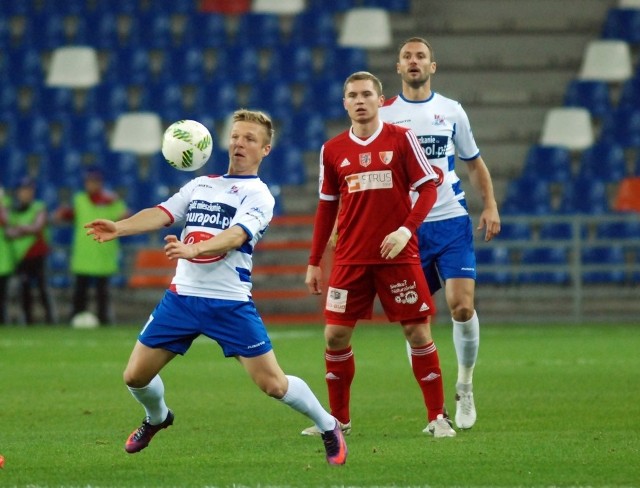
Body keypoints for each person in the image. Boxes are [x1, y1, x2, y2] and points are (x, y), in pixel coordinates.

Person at [84, 109, 348, 465]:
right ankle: (158, 417)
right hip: (182, 299)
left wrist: (191, 249)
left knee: (274, 385)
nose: (240, 143)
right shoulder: (200, 184)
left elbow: (236, 236)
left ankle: (328, 425)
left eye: (250, 139)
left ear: (265, 150)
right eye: (236, 136)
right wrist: (120, 227)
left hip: (229, 303)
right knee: (135, 376)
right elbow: (162, 212)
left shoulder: (259, 195)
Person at [301, 71, 456, 438]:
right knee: (335, 336)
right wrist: (313, 261)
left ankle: (437, 417)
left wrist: (406, 230)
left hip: (398, 258)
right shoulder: (333, 149)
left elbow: (429, 190)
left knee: (417, 332)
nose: (359, 101)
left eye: (366, 94)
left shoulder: (402, 140)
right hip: (351, 259)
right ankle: (338, 421)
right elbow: (326, 208)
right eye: (352, 95)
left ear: (379, 99)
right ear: (345, 103)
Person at [379, 37, 502, 430]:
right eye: (406, 57)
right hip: (406, 229)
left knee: (461, 306)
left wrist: (490, 205)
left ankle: (465, 385)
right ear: (398, 67)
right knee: (415, 322)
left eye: (420, 56)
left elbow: (474, 163)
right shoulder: (383, 114)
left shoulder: (451, 111)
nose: (413, 62)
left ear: (433, 66)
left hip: (450, 220)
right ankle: (434, 410)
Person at [56, 166, 129, 325]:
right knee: (80, 292)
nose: (91, 185)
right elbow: (68, 215)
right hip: (84, 253)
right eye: (89, 181)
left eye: (94, 181)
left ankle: (103, 320)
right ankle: (76, 318)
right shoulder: (80, 199)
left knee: (102, 292)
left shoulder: (111, 200)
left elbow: (125, 216)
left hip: (103, 252)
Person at [4, 176, 56, 324]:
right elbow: (8, 232)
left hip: (37, 254)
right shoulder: (13, 211)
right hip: (21, 256)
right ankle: (28, 320)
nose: (26, 193)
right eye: (23, 190)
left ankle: (50, 320)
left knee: (42, 288)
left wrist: (20, 229)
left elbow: (37, 226)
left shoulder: (38, 207)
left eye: (29, 190)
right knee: (24, 289)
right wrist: (23, 229)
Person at [0, 185, 15, 325]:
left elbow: (5, 222)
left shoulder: (6, 205)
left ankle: (3, 322)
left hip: (3, 260)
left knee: (2, 297)